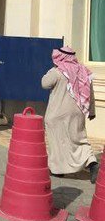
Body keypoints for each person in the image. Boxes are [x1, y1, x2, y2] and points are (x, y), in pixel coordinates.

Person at [42, 47, 99, 183]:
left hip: (57, 114)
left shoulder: (56, 72)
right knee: (79, 139)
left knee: (57, 141)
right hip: (77, 113)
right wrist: (91, 111)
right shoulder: (84, 71)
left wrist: (51, 70)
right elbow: (90, 93)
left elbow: (44, 83)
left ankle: (58, 170)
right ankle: (92, 163)